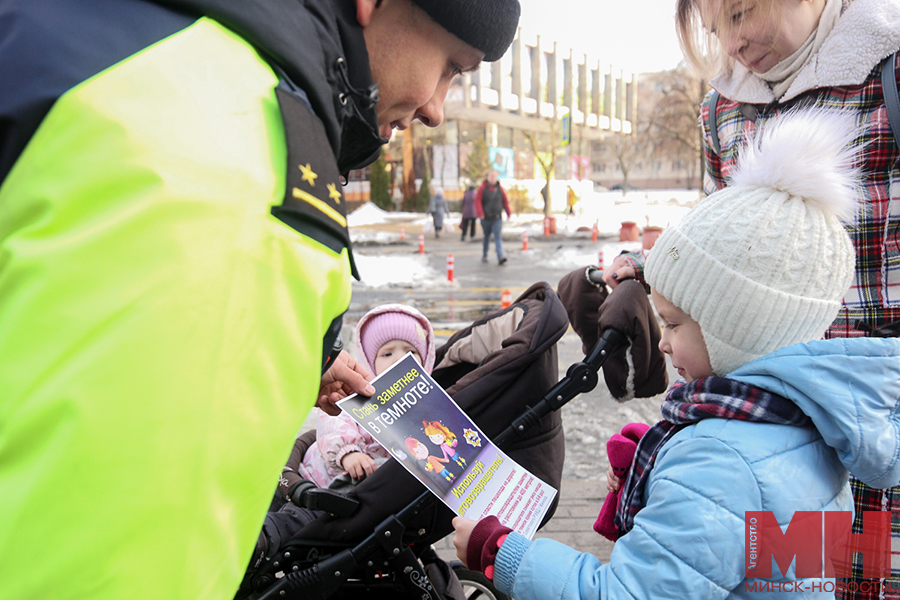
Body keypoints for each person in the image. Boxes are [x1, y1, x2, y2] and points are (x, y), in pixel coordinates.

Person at [0, 0, 521, 598]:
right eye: (451, 65)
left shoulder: (93, 40)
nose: (435, 107)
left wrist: (295, 364)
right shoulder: (252, 143)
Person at [451, 110, 900, 599]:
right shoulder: (804, 426)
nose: (662, 342)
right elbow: (759, 555)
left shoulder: (716, 465)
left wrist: (502, 551)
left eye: (674, 324)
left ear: (739, 328)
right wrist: (664, 458)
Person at [675, 0, 900, 595]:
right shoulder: (723, 107)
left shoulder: (889, 69)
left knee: (875, 580)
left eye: (742, 13)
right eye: (713, 27)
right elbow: (714, 246)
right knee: (795, 585)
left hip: (878, 416)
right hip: (775, 435)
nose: (731, 44)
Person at [291, 304, 435, 493]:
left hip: (375, 487)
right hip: (323, 478)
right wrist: (347, 453)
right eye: (387, 354)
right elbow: (333, 422)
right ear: (369, 361)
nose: (399, 359)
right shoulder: (360, 394)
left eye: (410, 352)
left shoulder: (429, 404)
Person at [475, 169, 511, 265]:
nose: (493, 178)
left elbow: (505, 201)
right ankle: (485, 254)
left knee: (497, 237)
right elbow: (477, 201)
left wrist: (508, 212)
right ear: (487, 177)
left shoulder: (500, 189)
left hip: (497, 218)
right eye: (491, 176)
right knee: (486, 237)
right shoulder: (482, 189)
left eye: (494, 176)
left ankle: (500, 256)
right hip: (486, 218)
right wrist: (480, 213)